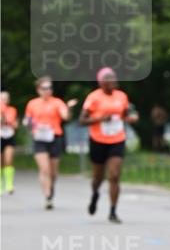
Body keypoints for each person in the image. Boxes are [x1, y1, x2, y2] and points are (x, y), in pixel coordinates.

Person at [79, 67, 138, 223]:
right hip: (98, 140)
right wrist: (99, 119)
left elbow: (125, 115)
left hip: (117, 139)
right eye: (108, 78)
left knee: (114, 175)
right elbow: (82, 120)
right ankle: (95, 194)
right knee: (98, 177)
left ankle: (113, 211)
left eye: (114, 77)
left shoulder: (122, 96)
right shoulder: (93, 98)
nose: (113, 80)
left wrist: (131, 118)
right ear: (101, 82)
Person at [23, 77, 77, 209]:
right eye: (44, 88)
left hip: (54, 137)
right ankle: (47, 196)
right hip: (39, 138)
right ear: (38, 90)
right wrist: (28, 124)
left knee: (53, 172)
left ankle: (51, 188)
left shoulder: (57, 102)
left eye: (50, 88)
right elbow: (27, 120)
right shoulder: (32, 103)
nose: (48, 91)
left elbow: (65, 117)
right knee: (44, 169)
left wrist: (69, 108)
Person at [1, 91, 18, 195]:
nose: (4, 100)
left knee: (8, 160)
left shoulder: (12, 110)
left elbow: (14, 124)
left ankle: (9, 184)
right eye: (2, 98)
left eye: (6, 98)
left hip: (9, 136)